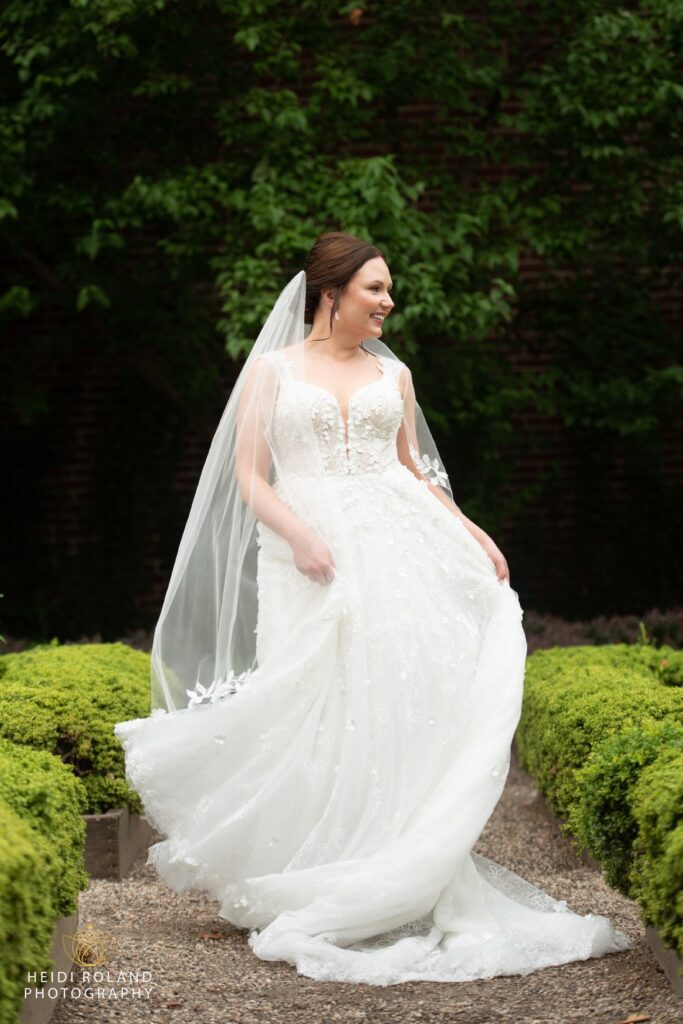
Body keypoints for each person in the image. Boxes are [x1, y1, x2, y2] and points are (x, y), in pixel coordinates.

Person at [115, 232, 632, 985]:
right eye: (375, 289)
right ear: (329, 293)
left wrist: (470, 529)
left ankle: (388, 858)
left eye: (388, 289)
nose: (388, 301)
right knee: (312, 698)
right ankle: (311, 860)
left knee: (387, 698)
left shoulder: (395, 375)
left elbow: (410, 473)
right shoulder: (273, 372)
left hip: (397, 550)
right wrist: (302, 537)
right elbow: (250, 477)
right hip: (310, 558)